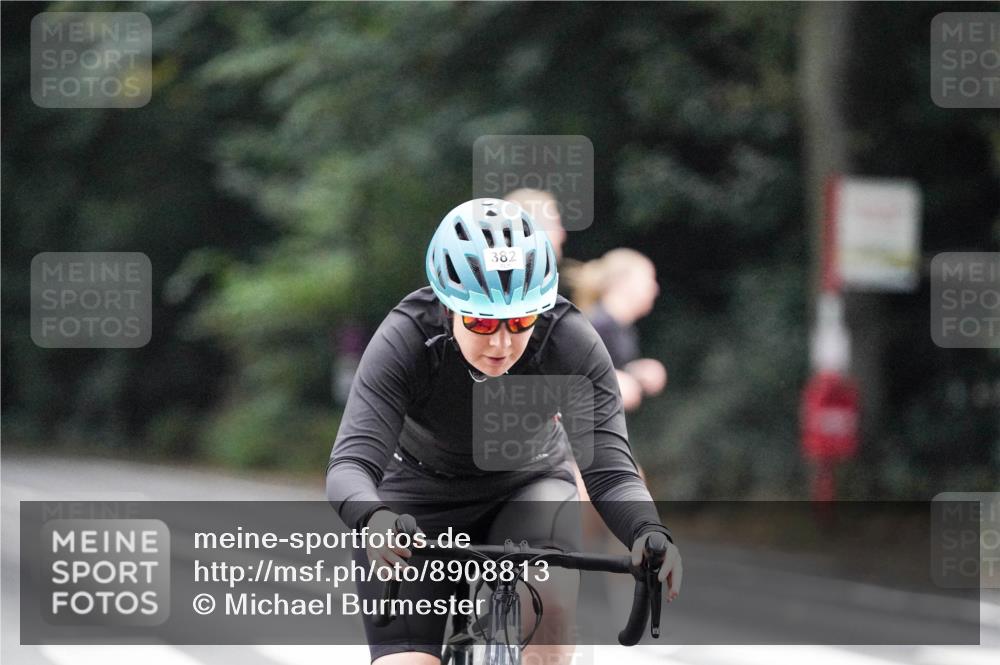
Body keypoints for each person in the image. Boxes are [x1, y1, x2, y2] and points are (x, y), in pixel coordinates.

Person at [326, 199, 682, 665]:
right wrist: (373, 518)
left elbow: (611, 473)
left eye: (519, 321)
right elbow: (350, 463)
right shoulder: (408, 337)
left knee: (549, 617)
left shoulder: (568, 340)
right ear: (448, 306)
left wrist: (647, 530)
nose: (500, 342)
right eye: (481, 321)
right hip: (418, 497)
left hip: (528, 484)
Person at [567, 248, 667, 412]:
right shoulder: (596, 325)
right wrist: (611, 383)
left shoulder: (623, 330)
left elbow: (607, 366)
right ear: (622, 283)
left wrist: (635, 372)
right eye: (648, 279)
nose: (655, 288)